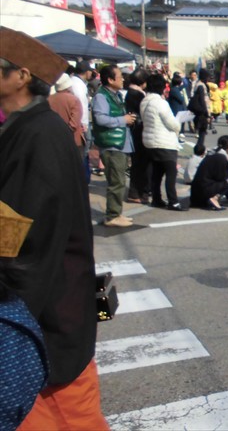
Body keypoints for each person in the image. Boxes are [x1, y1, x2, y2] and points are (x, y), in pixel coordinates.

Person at [0, 26, 108, 430]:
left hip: (44, 320)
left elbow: (20, 238)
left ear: (21, 76)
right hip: (46, 312)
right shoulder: (26, 129)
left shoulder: (38, 135)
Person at [92, 65, 137, 227]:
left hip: (120, 143)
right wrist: (122, 120)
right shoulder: (101, 97)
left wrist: (127, 118)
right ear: (110, 80)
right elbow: (100, 119)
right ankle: (112, 216)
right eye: (120, 76)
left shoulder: (116, 95)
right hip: (112, 145)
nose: (123, 79)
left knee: (119, 180)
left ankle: (116, 212)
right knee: (116, 182)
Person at [141, 73, 185, 211]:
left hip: (149, 141)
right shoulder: (161, 103)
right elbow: (173, 124)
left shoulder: (144, 101)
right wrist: (179, 122)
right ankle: (173, 201)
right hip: (164, 142)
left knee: (157, 173)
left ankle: (156, 198)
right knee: (170, 173)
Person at [190, 135, 228, 210]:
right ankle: (214, 198)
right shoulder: (221, 157)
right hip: (204, 191)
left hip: (196, 192)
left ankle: (212, 198)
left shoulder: (211, 152)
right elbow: (221, 177)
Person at [125, 68, 151, 204]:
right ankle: (137, 192)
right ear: (143, 82)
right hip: (139, 132)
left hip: (135, 132)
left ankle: (136, 192)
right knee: (140, 164)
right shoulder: (137, 94)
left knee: (138, 164)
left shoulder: (132, 92)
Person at [48, 73, 85, 160]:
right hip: (73, 141)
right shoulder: (74, 100)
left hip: (54, 140)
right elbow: (74, 124)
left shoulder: (49, 99)